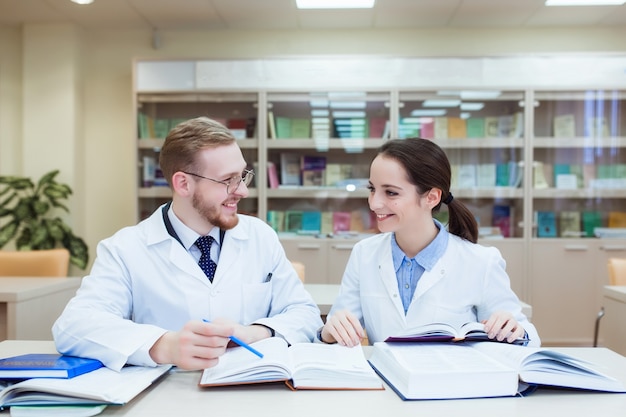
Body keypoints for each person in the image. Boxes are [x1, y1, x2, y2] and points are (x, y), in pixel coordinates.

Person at [53, 117, 322, 371]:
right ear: (183, 184)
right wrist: (163, 346)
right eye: (228, 180)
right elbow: (73, 326)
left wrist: (254, 333)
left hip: (249, 389)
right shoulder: (125, 248)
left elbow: (305, 314)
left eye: (242, 176)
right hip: (168, 395)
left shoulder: (259, 236)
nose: (242, 191)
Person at [318, 138, 540, 347]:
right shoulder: (364, 254)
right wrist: (328, 332)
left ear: (431, 197)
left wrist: (515, 330)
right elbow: (337, 331)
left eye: (391, 193)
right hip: (384, 384)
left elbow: (526, 337)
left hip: (451, 385)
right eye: (372, 189)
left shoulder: (481, 261)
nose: (374, 203)